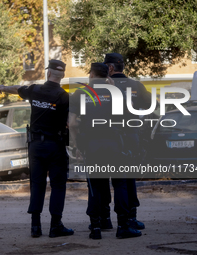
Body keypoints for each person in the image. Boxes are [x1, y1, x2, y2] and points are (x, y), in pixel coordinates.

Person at [0, 60, 74, 238]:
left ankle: (35, 227)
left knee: (37, 184)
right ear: (62, 76)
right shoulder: (64, 97)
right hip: (56, 145)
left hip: (36, 147)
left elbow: (17, 89)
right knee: (58, 185)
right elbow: (70, 123)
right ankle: (56, 226)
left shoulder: (35, 90)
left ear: (48, 73)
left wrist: (2, 87)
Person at [69, 63, 142, 239]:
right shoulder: (115, 93)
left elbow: (72, 122)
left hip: (92, 145)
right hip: (114, 144)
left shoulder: (80, 93)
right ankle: (123, 226)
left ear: (91, 75)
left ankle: (96, 227)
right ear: (107, 76)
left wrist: (76, 145)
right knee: (120, 184)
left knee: (96, 186)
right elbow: (130, 117)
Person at [104, 53, 151, 230]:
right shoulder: (135, 85)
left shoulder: (100, 88)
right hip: (130, 136)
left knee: (102, 178)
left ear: (109, 68)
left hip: (106, 137)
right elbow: (149, 106)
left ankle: (104, 218)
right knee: (127, 179)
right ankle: (130, 217)